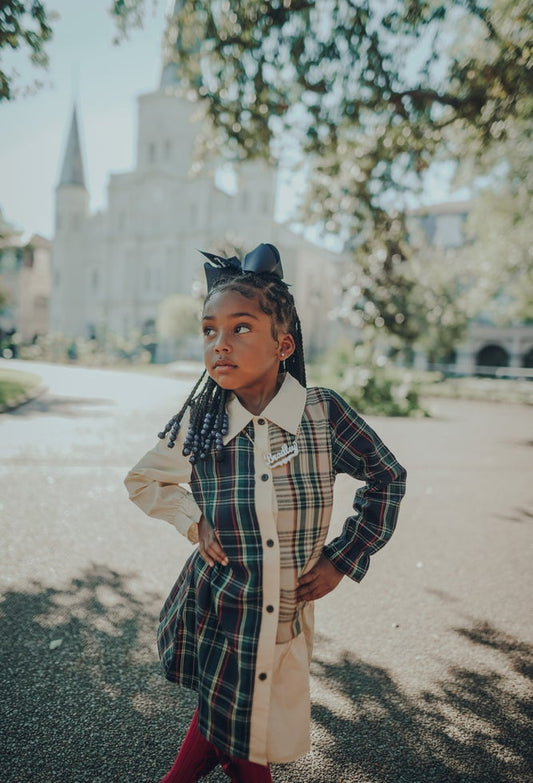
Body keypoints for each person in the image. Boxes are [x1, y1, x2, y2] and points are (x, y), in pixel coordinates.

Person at [124, 242, 407, 783]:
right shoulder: (202, 424)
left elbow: (387, 477)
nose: (220, 345)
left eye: (241, 329)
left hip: (285, 602)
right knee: (237, 706)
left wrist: (343, 558)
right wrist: (193, 520)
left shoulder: (322, 414)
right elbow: (142, 479)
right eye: (210, 331)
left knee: (240, 704)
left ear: (284, 344)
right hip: (222, 600)